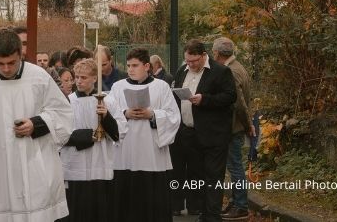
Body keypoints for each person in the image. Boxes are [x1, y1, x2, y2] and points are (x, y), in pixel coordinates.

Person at [0, 29, 74, 222]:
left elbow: (63, 114)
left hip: (34, 164)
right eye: (0, 63)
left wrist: (36, 124)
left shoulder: (39, 77)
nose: (6, 69)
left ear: (20, 54)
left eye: (11, 63)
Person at [107, 48, 181, 222]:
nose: (130, 69)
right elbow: (108, 114)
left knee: (152, 201)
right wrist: (125, 113)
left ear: (147, 66)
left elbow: (173, 116)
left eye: (135, 65)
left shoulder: (161, 86)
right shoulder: (118, 87)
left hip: (152, 154)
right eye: (128, 65)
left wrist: (153, 115)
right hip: (125, 154)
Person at [170, 39, 237, 222]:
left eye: (195, 61)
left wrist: (204, 100)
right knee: (197, 176)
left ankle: (213, 216)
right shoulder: (182, 70)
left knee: (213, 177)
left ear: (204, 55)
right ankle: (202, 213)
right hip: (189, 133)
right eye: (188, 61)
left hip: (214, 135)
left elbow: (230, 96)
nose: (191, 65)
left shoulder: (221, 71)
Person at [58, 58, 119, 222]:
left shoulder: (108, 101)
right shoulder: (67, 102)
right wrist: (88, 136)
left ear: (94, 78)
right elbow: (59, 133)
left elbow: (120, 132)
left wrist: (106, 116)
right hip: (74, 166)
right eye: (76, 77)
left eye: (83, 77)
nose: (78, 81)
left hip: (100, 165)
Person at [212, 37, 254, 220]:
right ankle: (236, 202)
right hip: (235, 125)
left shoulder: (230, 71)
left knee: (235, 167)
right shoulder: (238, 67)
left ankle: (241, 206)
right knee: (235, 166)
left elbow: (239, 103)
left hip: (233, 126)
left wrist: (248, 124)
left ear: (216, 53)